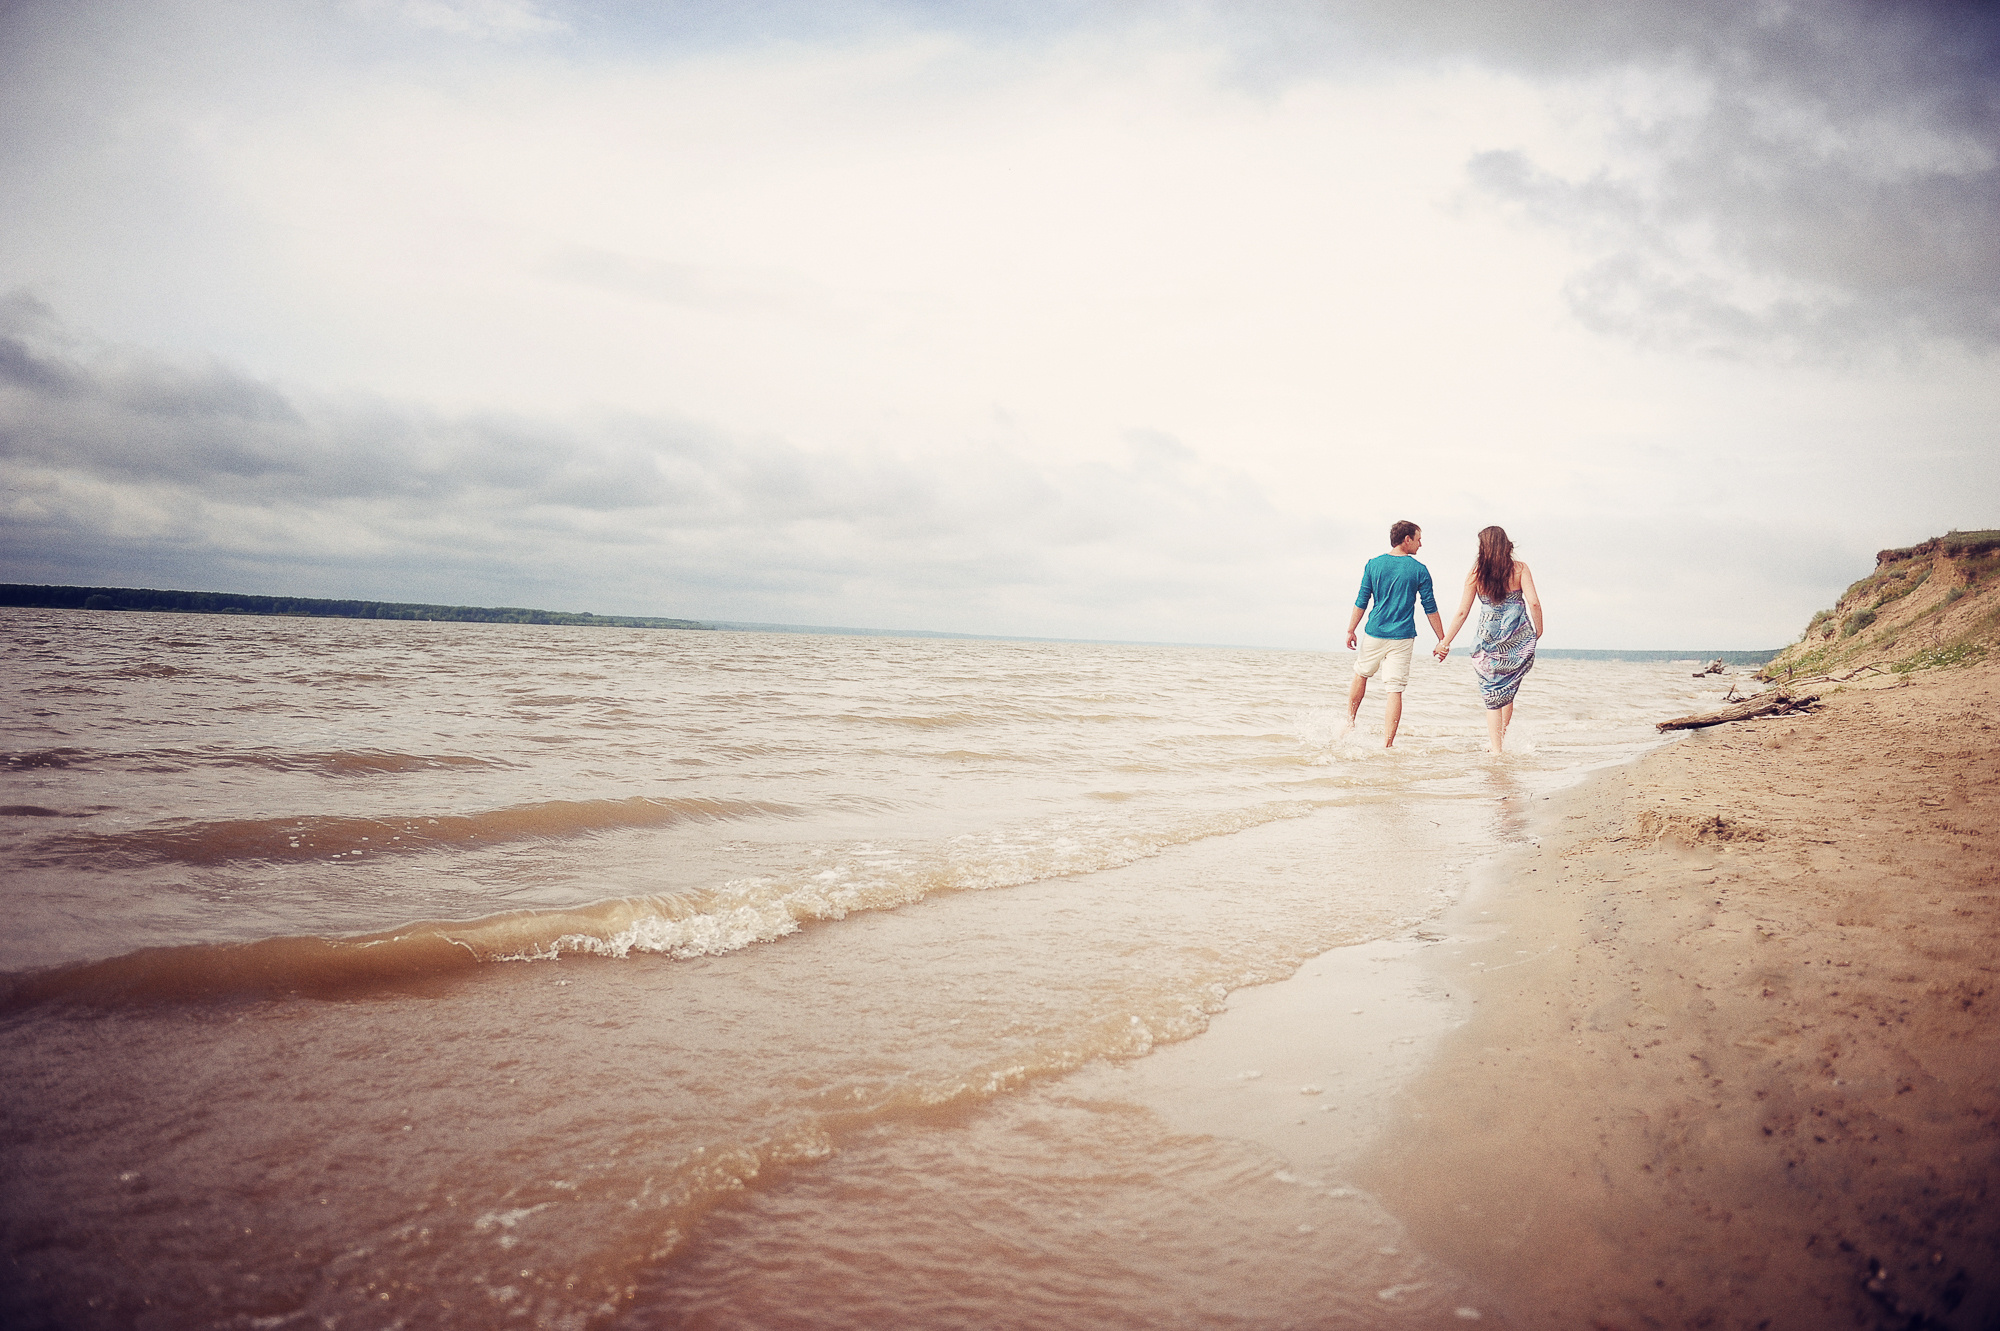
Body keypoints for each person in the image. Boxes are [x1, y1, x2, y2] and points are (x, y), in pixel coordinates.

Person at [1434, 525, 1543, 754]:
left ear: (1484, 547)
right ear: (1505, 544)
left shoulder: (1476, 574)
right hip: (1516, 642)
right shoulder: (1520, 569)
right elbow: (1533, 602)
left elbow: (1462, 613)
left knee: (1492, 694)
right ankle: (1501, 740)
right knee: (1507, 689)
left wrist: (1445, 642)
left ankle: (1496, 749)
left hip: (1488, 643)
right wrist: (1538, 630)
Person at [1343, 520, 1444, 748]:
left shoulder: (1373, 564)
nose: (1420, 544)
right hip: (1402, 637)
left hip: (1374, 632)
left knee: (1361, 674)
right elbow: (1430, 607)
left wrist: (1351, 629)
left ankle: (1349, 723)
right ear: (1407, 539)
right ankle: (1387, 746)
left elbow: (1362, 600)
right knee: (1395, 690)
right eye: (1418, 539)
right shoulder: (1419, 570)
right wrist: (1442, 639)